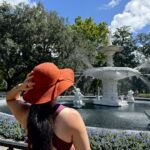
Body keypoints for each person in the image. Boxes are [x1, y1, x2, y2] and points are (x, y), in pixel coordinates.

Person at [6, 62, 91, 150]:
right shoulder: (72, 117)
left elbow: (10, 99)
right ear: (57, 87)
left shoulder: (26, 114)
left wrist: (20, 87)